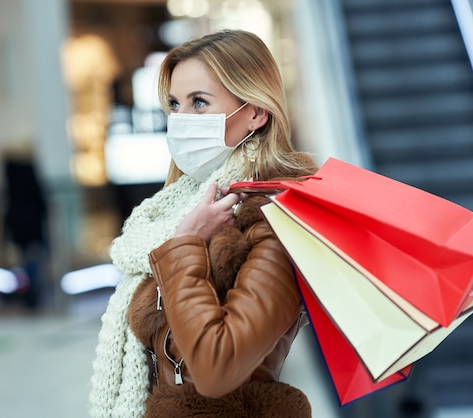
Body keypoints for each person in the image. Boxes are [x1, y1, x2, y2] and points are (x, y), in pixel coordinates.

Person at [89, 29, 318, 417]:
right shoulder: (173, 212)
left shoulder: (272, 222)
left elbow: (217, 369)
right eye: (175, 105)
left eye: (199, 102)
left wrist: (185, 245)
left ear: (256, 113)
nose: (180, 120)